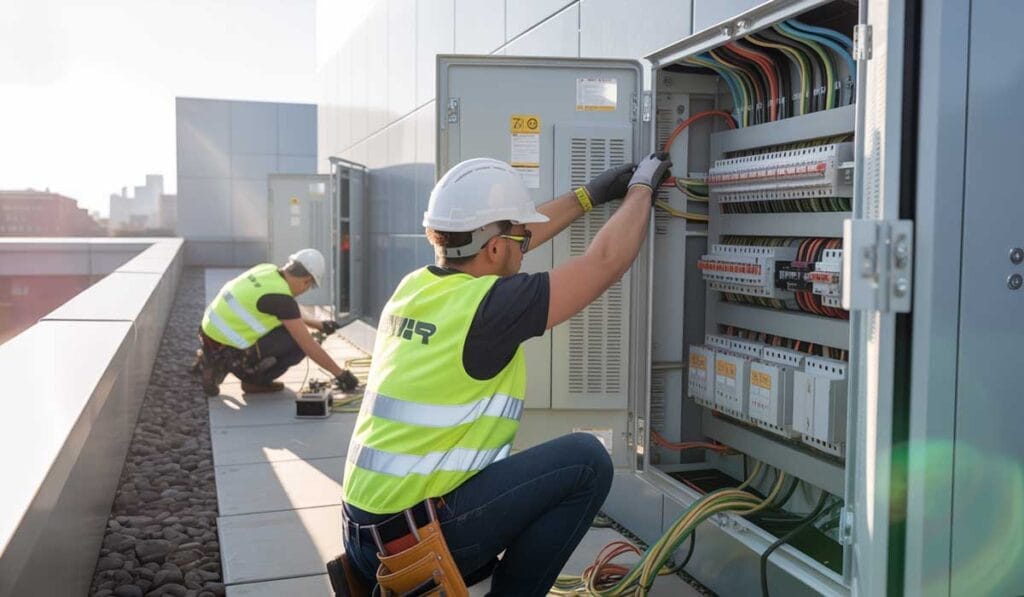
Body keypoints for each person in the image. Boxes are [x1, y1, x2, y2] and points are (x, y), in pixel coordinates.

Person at [332, 153, 672, 596]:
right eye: (517, 235)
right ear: (494, 248)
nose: (526, 242)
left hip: (365, 536)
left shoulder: (414, 287)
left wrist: (591, 195)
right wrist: (642, 189)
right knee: (586, 462)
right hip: (416, 544)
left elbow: (515, 237)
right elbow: (604, 262)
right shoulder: (491, 306)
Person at [193, 248, 359, 396]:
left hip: (208, 333)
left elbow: (284, 314)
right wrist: (341, 375)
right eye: (310, 286)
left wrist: (318, 324)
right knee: (297, 343)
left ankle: (212, 361)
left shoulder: (266, 269)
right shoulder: (282, 300)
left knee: (285, 328)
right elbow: (307, 345)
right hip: (231, 347)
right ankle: (252, 380)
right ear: (307, 280)